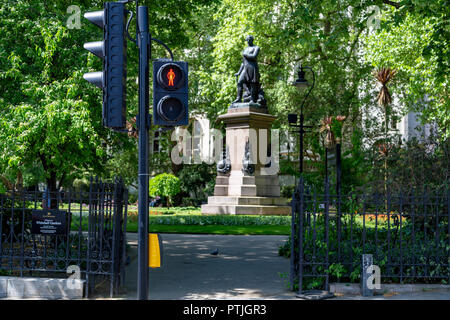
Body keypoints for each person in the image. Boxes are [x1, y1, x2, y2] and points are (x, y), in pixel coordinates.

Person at [233, 35, 262, 104]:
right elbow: (243, 63)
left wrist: (246, 55)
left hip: (252, 67)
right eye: (247, 40)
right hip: (245, 68)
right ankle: (238, 98)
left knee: (253, 83)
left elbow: (254, 56)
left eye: (249, 40)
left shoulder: (256, 48)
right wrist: (239, 72)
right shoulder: (245, 49)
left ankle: (252, 99)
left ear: (252, 40)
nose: (248, 41)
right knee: (240, 82)